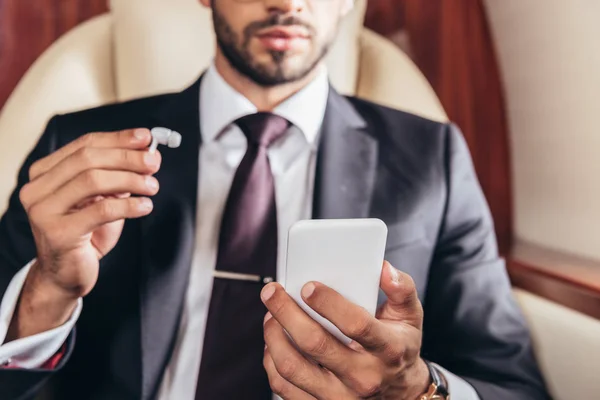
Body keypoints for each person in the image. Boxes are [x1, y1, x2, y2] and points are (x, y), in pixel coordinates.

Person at [0, 0, 551, 398]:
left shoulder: (436, 158)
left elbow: (512, 383)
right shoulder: (76, 148)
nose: (286, 2)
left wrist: (416, 392)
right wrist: (47, 291)